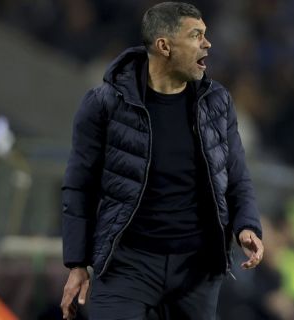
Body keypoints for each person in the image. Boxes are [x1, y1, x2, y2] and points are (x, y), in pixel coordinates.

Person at [60, 2, 264, 320]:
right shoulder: (103, 104)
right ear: (164, 46)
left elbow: (237, 177)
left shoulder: (217, 102)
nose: (207, 44)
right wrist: (76, 263)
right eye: (196, 35)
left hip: (195, 271)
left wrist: (247, 226)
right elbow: (78, 187)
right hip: (125, 267)